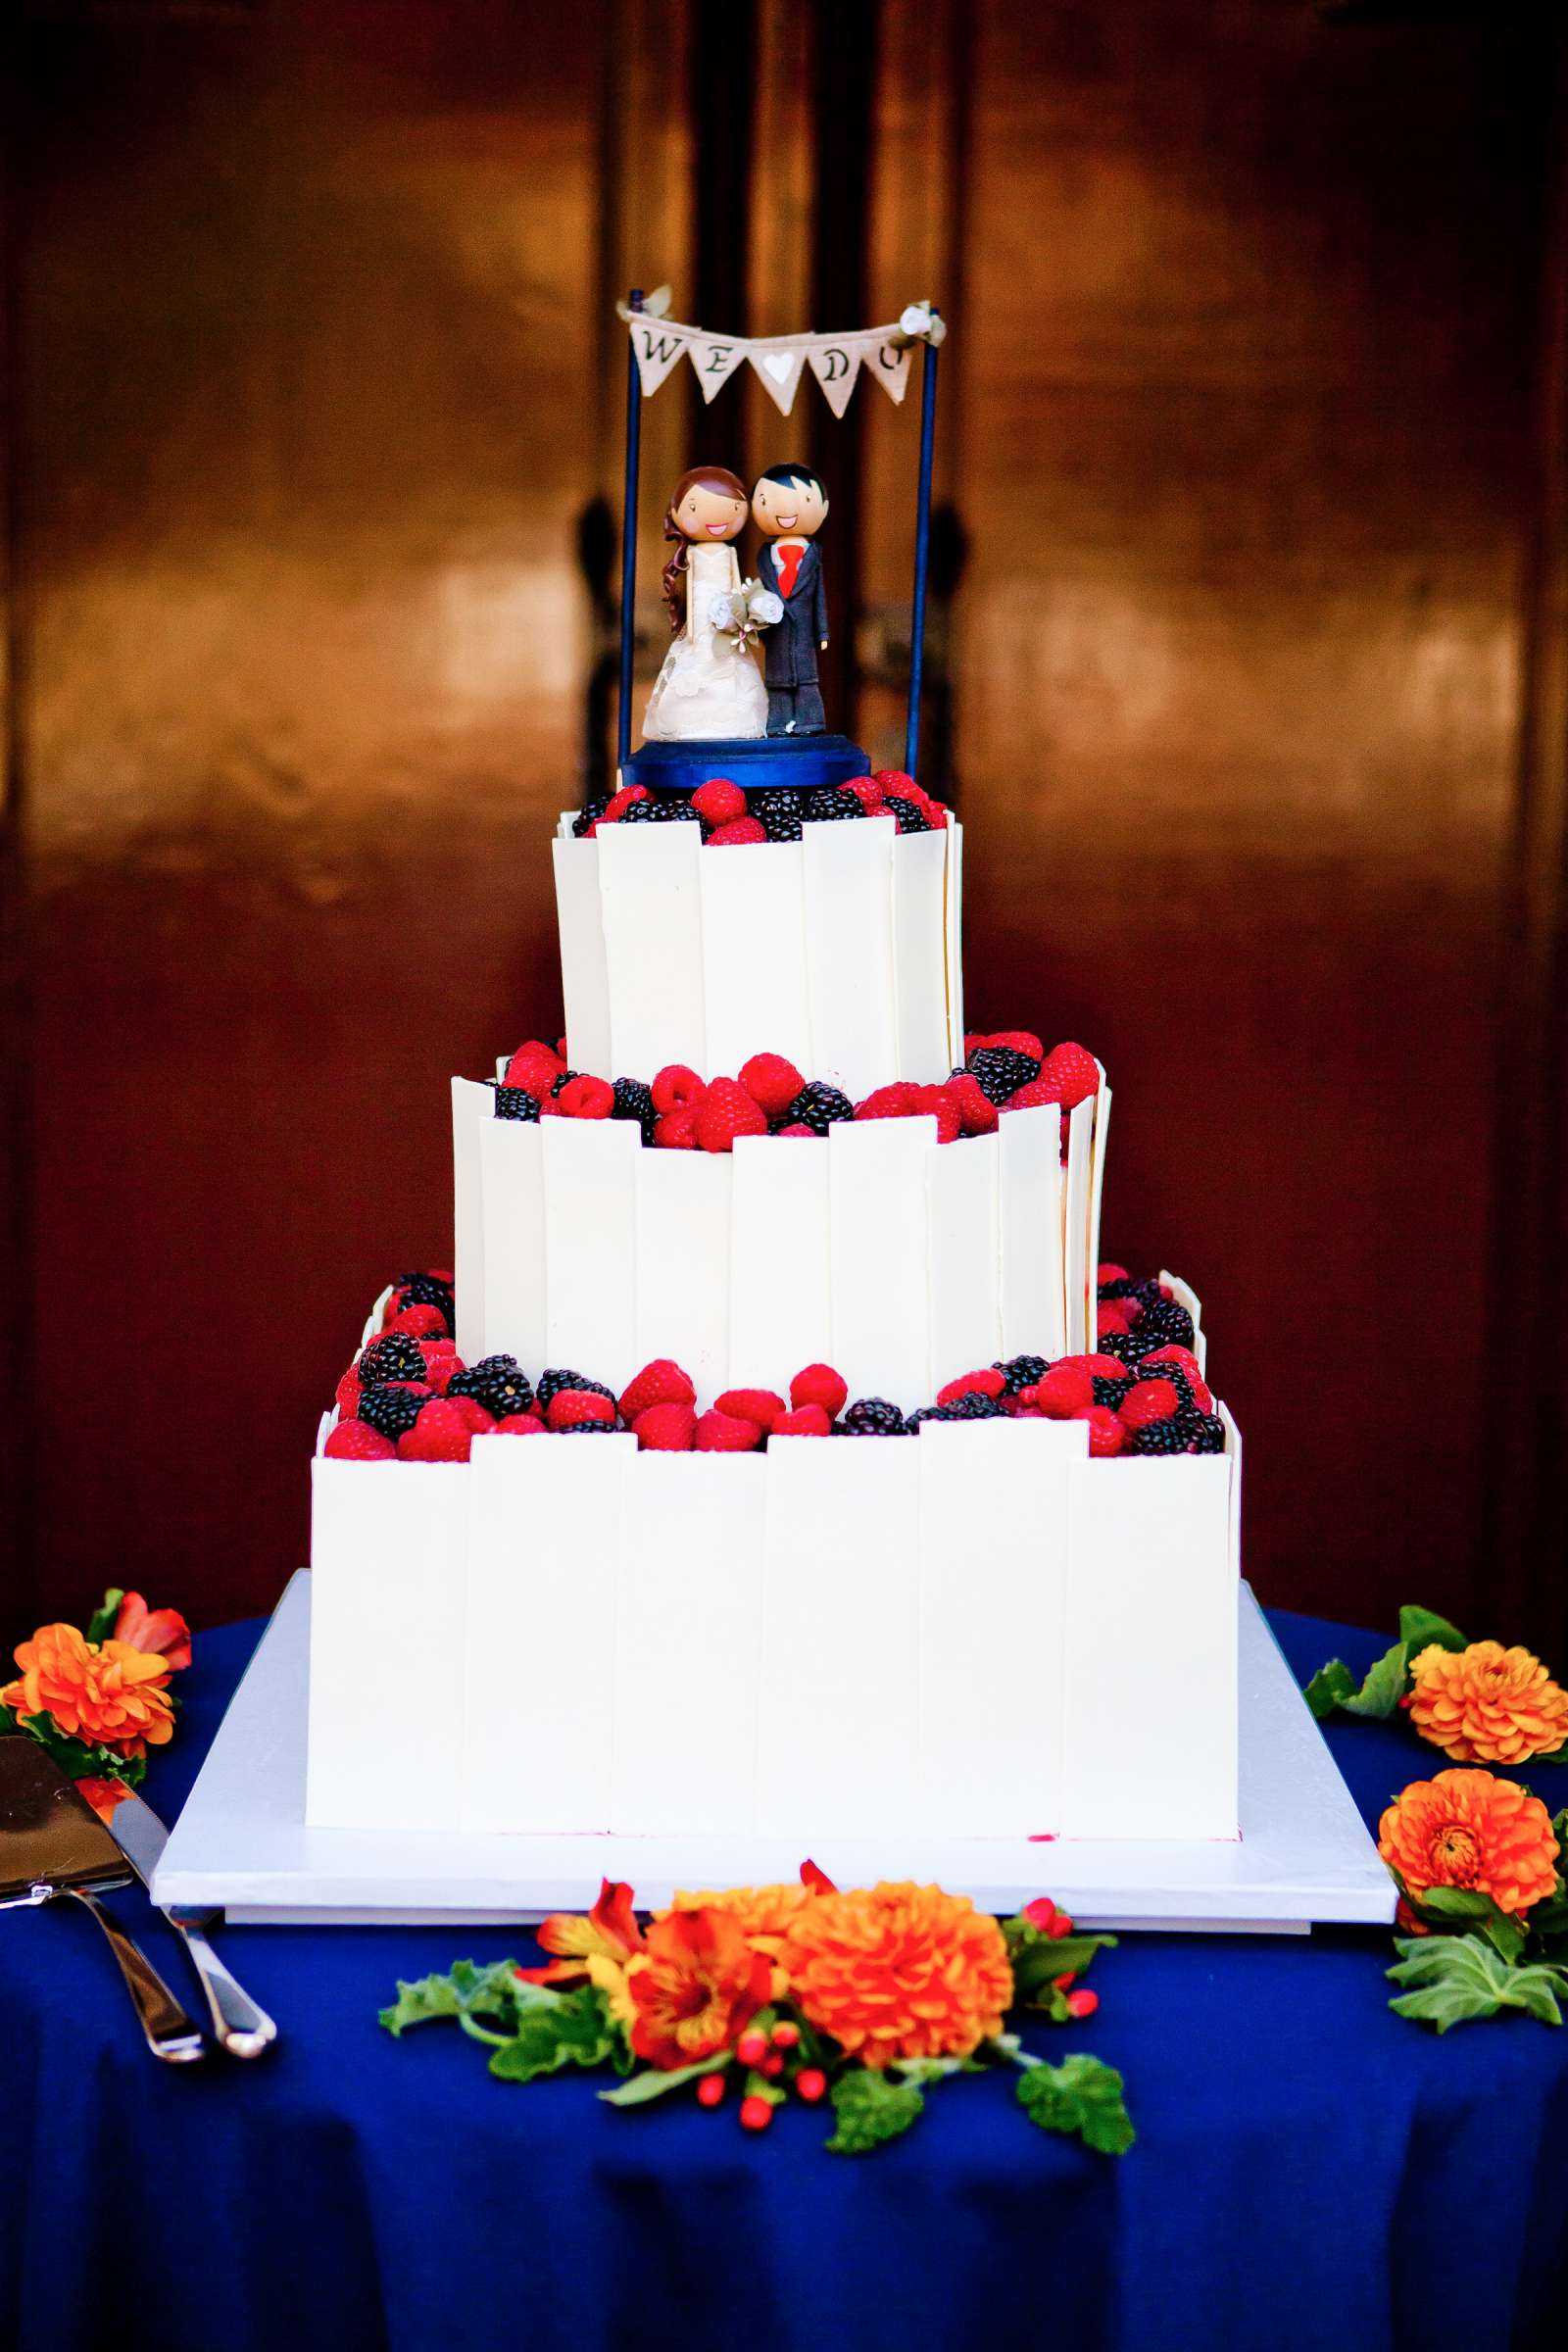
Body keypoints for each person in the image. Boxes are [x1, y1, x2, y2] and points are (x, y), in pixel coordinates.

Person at [642, 465, 768, 741]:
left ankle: (731, 722)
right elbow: (692, 592)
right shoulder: (695, 555)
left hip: (727, 620)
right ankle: (691, 720)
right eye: (697, 508)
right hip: (701, 616)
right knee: (700, 660)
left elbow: (736, 584)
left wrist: (742, 614)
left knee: (729, 665)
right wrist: (695, 629)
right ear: (677, 514)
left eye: (733, 508)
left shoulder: (729, 552)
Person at [752, 463, 830, 736]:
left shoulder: (813, 556)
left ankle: (809, 721)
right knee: (778, 681)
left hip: (804, 633)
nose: (785, 511)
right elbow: (760, 590)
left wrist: (822, 632)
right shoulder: (765, 556)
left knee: (806, 680)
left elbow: (819, 597)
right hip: (777, 632)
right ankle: (779, 723)